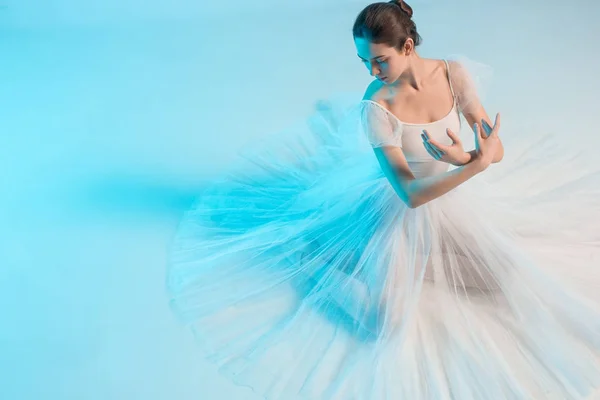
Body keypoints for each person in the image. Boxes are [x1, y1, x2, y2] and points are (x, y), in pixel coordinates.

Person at [166, 1, 600, 398]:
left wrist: (467, 155)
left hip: (450, 202)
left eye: (379, 59)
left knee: (501, 279)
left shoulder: (453, 74)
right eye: (364, 62)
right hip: (395, 210)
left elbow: (494, 150)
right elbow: (410, 195)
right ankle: (311, 256)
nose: (373, 72)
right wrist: (469, 166)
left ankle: (420, 260)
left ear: (407, 45)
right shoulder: (377, 106)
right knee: (384, 326)